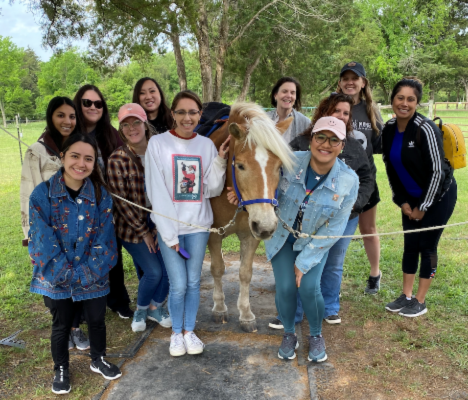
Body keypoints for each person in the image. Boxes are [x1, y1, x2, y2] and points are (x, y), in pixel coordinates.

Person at [28, 134, 122, 395]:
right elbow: (41, 242)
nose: (81, 163)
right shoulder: (42, 194)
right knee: (61, 324)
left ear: (94, 163)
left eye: (88, 158)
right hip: (56, 277)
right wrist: (66, 274)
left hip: (94, 274)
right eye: (75, 156)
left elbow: (106, 240)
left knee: (96, 320)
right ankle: (61, 368)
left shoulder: (101, 195)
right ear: (62, 157)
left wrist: (86, 273)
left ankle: (98, 358)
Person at [267, 93, 372, 327]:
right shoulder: (299, 147)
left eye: (346, 113)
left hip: (339, 216)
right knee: (293, 274)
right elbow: (271, 172)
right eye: (336, 111)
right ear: (324, 112)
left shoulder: (355, 146)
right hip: (296, 221)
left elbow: (366, 177)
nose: (342, 116)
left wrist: (353, 204)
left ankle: (329, 308)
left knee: (331, 264)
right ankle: (292, 314)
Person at [262, 116, 358, 362]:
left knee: (308, 287)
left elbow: (334, 228)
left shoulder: (349, 181)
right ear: (311, 139)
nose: (326, 144)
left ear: (342, 145)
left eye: (334, 139)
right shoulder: (289, 162)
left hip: (315, 242)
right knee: (285, 287)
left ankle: (316, 335)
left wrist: (303, 262)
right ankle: (289, 333)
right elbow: (262, 183)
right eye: (321, 137)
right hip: (282, 236)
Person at [145, 90, 230, 357]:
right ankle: (176, 333)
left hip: (198, 227)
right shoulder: (157, 144)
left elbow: (211, 189)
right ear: (172, 114)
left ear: (200, 115)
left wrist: (219, 160)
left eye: (193, 112)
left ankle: (189, 331)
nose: (187, 117)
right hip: (170, 228)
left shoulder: (205, 145)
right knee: (178, 284)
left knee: (193, 282)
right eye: (181, 112)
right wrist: (168, 234)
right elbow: (155, 190)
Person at [19, 96, 91, 352]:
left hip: (81, 232)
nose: (67, 121)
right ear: (51, 117)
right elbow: (28, 194)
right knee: (56, 284)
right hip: (49, 233)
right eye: (61, 115)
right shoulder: (37, 151)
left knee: (80, 281)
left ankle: (75, 328)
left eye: (72, 116)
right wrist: (30, 238)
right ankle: (62, 328)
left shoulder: (80, 147)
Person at [382, 77, 456, 318]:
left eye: (410, 99)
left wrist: (423, 206)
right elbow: (390, 169)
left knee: (427, 245)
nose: (404, 103)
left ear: (417, 103)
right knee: (410, 245)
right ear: (392, 100)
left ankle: (420, 301)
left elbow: (437, 171)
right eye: (400, 98)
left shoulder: (426, 128)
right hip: (409, 200)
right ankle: (406, 295)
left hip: (438, 197)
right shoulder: (389, 128)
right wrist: (402, 202)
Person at [108, 103, 171, 332]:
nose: (131, 128)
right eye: (126, 125)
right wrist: (145, 232)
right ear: (121, 129)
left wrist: (156, 227)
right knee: (153, 272)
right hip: (130, 227)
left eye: (136, 122)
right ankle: (141, 311)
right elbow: (122, 203)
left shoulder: (161, 153)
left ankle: (156, 308)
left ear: (145, 124)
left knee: (168, 272)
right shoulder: (118, 159)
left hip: (161, 221)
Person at [74, 85, 134, 319]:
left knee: (112, 255)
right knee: (80, 258)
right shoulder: (70, 134)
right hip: (78, 209)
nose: (93, 107)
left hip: (108, 208)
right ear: (78, 105)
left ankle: (117, 300)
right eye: (87, 103)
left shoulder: (111, 134)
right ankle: (79, 311)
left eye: (98, 104)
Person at [337, 61, 384, 294]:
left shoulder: (371, 109)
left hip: (365, 180)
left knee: (368, 228)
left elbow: (379, 144)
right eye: (345, 78)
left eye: (355, 78)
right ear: (340, 82)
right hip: (335, 179)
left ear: (363, 83)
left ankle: (375, 274)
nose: (350, 82)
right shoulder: (333, 105)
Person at [266, 77, 311, 144]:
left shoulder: (305, 123)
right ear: (275, 95)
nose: (289, 95)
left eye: (292, 93)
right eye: (284, 91)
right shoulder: (263, 119)